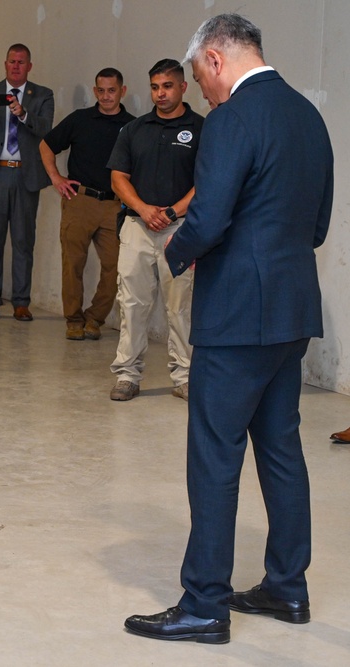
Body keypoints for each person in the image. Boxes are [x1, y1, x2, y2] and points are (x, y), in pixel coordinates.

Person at [124, 14, 333, 644]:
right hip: (291, 312)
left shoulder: (231, 119)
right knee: (282, 450)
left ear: (216, 59)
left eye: (198, 77)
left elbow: (209, 216)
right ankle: (287, 588)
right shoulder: (307, 115)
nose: (203, 91)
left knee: (214, 456)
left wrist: (175, 254)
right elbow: (317, 225)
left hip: (238, 314)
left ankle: (204, 605)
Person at [106, 59, 203, 401]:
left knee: (181, 308)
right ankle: (127, 375)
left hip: (181, 231)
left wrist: (174, 211)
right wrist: (145, 210)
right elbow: (118, 178)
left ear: (182, 88)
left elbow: (206, 180)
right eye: (155, 87)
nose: (160, 94)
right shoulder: (134, 130)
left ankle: (186, 377)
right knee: (131, 304)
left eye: (168, 86)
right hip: (137, 228)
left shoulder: (201, 128)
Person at [40, 68, 134, 340]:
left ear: (122, 91)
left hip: (115, 206)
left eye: (112, 90)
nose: (106, 96)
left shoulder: (133, 126)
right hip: (78, 200)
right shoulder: (79, 120)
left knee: (116, 266)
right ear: (95, 91)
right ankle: (73, 320)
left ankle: (95, 319)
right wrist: (56, 178)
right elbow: (46, 145)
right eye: (101, 91)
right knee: (73, 264)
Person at [0, 44, 54, 322]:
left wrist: (23, 113)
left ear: (30, 66)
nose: (16, 66)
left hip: (25, 175)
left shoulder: (42, 95)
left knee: (23, 241)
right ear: (5, 64)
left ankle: (21, 302)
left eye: (21, 62)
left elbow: (45, 130)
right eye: (12, 61)